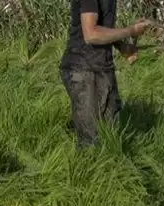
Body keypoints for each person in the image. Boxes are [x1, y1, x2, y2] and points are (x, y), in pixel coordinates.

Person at [60, 0, 153, 146]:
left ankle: (111, 166)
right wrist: (131, 30)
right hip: (83, 69)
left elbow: (103, 28)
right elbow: (91, 34)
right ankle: (87, 166)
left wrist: (122, 46)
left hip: (102, 68)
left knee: (111, 134)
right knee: (91, 140)